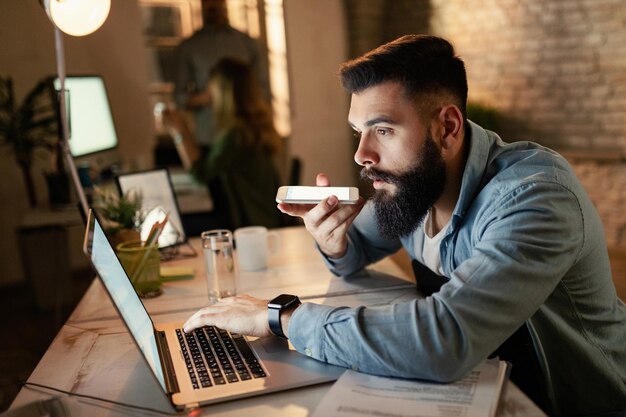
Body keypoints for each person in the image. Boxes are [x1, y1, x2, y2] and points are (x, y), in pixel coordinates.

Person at [182, 35, 626, 416]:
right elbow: (356, 248)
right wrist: (333, 243)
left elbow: (444, 340)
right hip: (486, 386)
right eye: (359, 131)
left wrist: (281, 316)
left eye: (383, 130)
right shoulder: (415, 185)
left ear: (447, 128)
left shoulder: (534, 198)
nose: (361, 154)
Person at [166, 58, 283, 229]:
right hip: (267, 218)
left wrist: (179, 130)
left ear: (223, 93)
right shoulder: (254, 126)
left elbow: (200, 174)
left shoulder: (236, 136)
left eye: (211, 88)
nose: (207, 94)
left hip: (253, 225)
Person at [173, 0, 268, 147]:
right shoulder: (189, 47)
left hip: (244, 134)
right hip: (209, 135)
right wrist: (204, 98)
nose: (211, 5)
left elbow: (262, 89)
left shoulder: (247, 43)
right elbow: (179, 97)